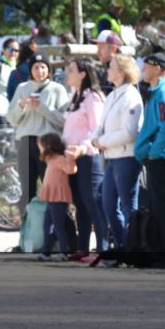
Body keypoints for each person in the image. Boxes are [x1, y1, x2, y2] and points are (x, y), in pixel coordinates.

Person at [133, 52, 165, 269]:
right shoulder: (159, 91)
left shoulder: (164, 93)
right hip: (158, 157)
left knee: (162, 208)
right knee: (157, 207)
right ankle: (161, 254)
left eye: (147, 66)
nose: (143, 69)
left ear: (159, 68)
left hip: (161, 159)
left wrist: (154, 151)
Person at [93, 54, 144, 251]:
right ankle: (123, 245)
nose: (107, 70)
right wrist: (96, 138)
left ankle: (134, 248)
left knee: (128, 206)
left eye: (111, 67)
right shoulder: (113, 94)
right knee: (107, 204)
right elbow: (104, 123)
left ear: (121, 72)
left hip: (126, 158)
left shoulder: (131, 96)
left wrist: (103, 141)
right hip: (112, 157)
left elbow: (130, 132)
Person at [7, 53, 69, 211]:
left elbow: (63, 120)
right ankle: (28, 228)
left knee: (51, 187)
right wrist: (22, 104)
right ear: (30, 69)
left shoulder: (57, 89)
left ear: (48, 70)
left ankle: (53, 229)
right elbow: (12, 119)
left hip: (48, 144)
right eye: (36, 67)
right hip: (26, 142)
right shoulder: (22, 88)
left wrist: (42, 107)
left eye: (43, 67)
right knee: (27, 189)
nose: (39, 71)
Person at [61, 59, 107, 258]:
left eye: (71, 70)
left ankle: (104, 248)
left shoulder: (93, 98)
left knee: (93, 203)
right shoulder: (75, 96)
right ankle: (83, 248)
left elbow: (96, 129)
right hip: (73, 158)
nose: (67, 73)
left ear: (83, 74)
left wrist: (82, 147)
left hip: (89, 157)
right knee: (80, 204)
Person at [35, 132, 78, 262]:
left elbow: (71, 170)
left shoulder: (59, 159)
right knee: (47, 225)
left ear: (48, 146)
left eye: (42, 146)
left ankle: (64, 252)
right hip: (52, 199)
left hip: (59, 199)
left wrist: (71, 158)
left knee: (59, 226)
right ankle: (46, 252)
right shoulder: (50, 159)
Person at [95, 31, 123, 95]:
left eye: (101, 48)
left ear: (113, 49)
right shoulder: (108, 69)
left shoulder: (122, 71)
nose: (98, 52)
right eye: (98, 48)